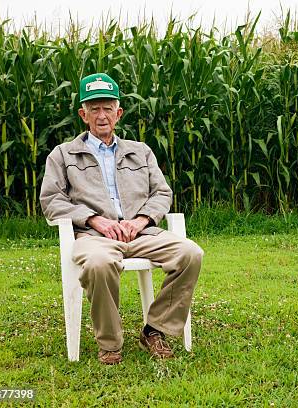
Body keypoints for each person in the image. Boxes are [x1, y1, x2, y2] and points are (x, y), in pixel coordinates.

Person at [40, 73, 203, 365]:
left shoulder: (140, 151)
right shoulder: (63, 155)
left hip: (142, 235)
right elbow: (51, 201)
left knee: (191, 253)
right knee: (99, 264)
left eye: (107, 108)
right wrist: (93, 220)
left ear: (119, 113)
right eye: (94, 109)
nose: (101, 115)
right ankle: (111, 343)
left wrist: (141, 221)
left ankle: (155, 330)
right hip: (94, 238)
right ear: (83, 114)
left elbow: (162, 194)